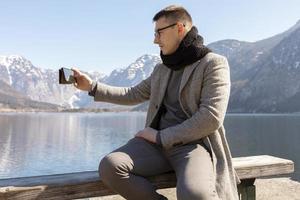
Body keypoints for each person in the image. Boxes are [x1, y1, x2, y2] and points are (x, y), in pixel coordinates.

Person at [72, 5, 240, 200]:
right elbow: (132, 94)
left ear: (179, 28)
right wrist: (91, 86)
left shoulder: (213, 63)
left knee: (195, 194)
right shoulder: (162, 69)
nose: (155, 40)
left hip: (193, 146)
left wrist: (160, 136)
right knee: (111, 166)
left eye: (159, 33)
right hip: (154, 147)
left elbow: (211, 118)